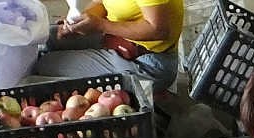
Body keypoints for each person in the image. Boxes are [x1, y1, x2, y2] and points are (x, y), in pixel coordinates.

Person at [34, 0, 185, 96]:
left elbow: (158, 29)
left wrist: (100, 25)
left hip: (149, 64)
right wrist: (79, 20)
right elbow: (103, 3)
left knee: (45, 65)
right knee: (48, 39)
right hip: (117, 39)